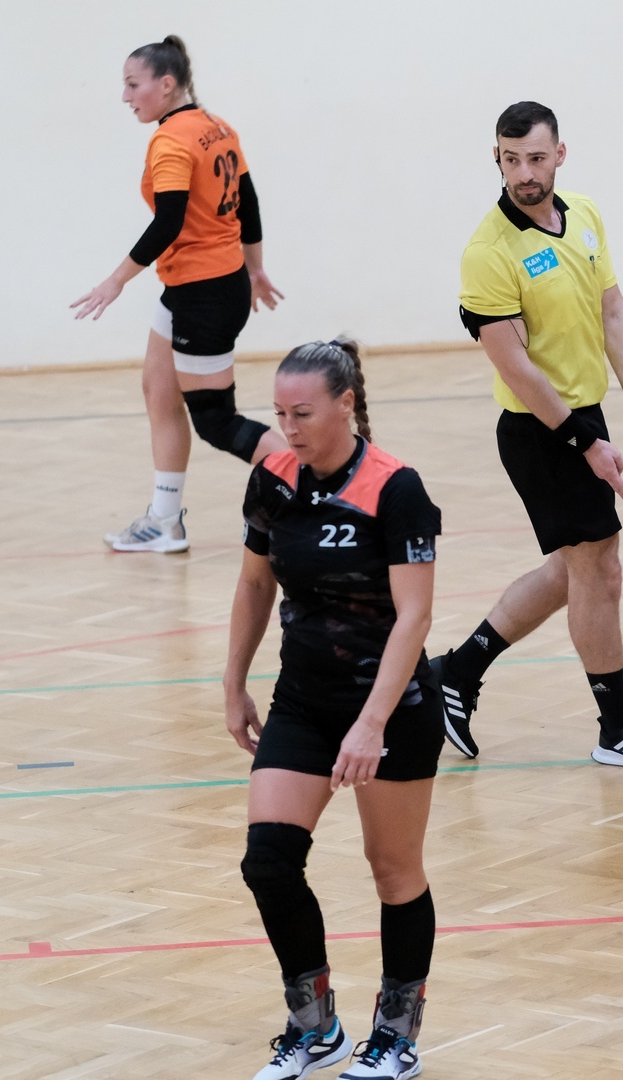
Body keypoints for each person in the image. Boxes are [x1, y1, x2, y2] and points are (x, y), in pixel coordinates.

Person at [436, 100, 623, 772]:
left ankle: (455, 674)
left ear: (560, 155)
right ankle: (617, 724)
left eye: (535, 158)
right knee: (599, 569)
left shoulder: (583, 216)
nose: (524, 173)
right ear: (496, 159)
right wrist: (585, 442)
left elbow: (613, 310)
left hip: (585, 417)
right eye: (510, 159)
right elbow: (516, 368)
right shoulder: (488, 253)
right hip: (539, 429)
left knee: (572, 568)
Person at [224, 340, 442, 1079]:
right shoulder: (272, 479)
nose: (287, 429)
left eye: (303, 414)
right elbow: (255, 584)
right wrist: (233, 682)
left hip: (392, 707)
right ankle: (315, 1026)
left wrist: (372, 724)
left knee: (393, 870)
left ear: (345, 405)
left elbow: (414, 616)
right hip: (303, 702)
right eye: (279, 414)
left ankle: (396, 1037)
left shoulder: (395, 489)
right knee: (268, 862)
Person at [72, 35, 288, 553]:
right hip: (201, 284)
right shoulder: (217, 127)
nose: (126, 96)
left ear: (166, 85)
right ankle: (165, 521)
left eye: (133, 84)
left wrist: (115, 280)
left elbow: (168, 222)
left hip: (204, 293)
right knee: (159, 391)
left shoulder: (171, 141)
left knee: (217, 421)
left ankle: (316, 481)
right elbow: (248, 203)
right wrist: (255, 268)